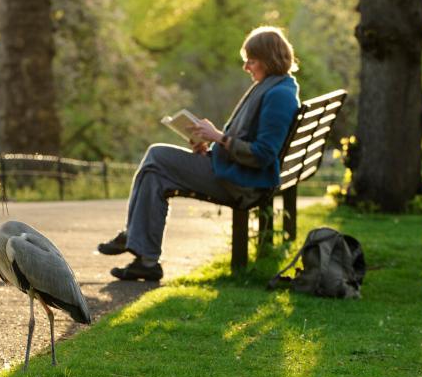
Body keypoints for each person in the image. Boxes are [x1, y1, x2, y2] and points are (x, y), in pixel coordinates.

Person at [97, 26, 301, 281]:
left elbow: (263, 154)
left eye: (251, 60)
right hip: (234, 171)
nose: (246, 67)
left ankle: (135, 239)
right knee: (154, 174)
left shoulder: (279, 95)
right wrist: (210, 147)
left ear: (269, 60)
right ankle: (146, 261)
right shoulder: (273, 87)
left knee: (156, 156)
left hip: (243, 183)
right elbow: (248, 143)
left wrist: (219, 137)